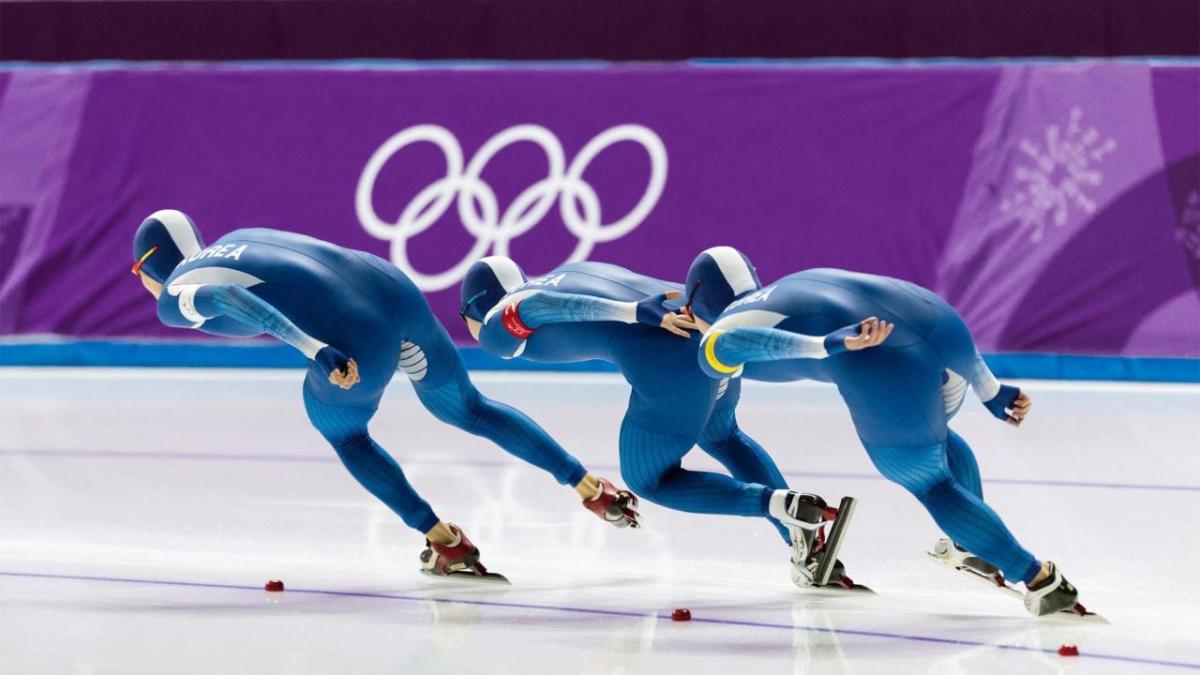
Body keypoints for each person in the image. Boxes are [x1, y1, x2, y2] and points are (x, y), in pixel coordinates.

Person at [130, 209, 639, 579]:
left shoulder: (176, 291)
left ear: (151, 265)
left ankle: (445, 542)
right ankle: (589, 486)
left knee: (346, 434)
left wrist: (313, 348)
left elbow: (226, 296)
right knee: (471, 409)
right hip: (393, 290)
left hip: (352, 337)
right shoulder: (237, 233)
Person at [681, 245, 1083, 616]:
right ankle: (971, 543)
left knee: (927, 479)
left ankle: (1041, 580)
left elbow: (743, 342)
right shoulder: (785, 287)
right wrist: (989, 389)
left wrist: (826, 344)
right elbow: (925, 314)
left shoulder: (717, 332)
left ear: (695, 301)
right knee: (934, 436)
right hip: (942, 323)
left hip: (880, 354)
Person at [459, 255, 859, 588]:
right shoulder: (571, 269)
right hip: (710, 342)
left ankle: (778, 505)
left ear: (476, 306)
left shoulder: (497, 326)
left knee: (649, 479)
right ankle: (806, 545)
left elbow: (538, 306)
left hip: (671, 370)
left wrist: (631, 313)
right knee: (723, 436)